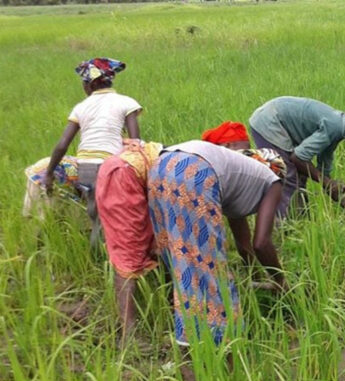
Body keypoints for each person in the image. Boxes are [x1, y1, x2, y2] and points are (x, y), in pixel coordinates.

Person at [147, 139, 286, 346]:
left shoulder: (235, 172)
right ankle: (221, 344)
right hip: (195, 173)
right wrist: (282, 284)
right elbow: (261, 243)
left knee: (175, 253)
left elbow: (244, 243)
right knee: (210, 267)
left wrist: (253, 275)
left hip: (160, 167)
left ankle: (178, 318)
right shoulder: (273, 180)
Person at [24, 57, 142, 228]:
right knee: (111, 212)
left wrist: (49, 173)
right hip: (113, 167)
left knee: (92, 206)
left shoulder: (81, 106)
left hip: (84, 168)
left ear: (90, 85)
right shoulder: (126, 102)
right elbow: (135, 141)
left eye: (83, 84)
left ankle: (48, 223)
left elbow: (62, 144)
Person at [248, 96, 345, 217]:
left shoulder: (338, 127)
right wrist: (326, 182)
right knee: (287, 177)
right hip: (269, 122)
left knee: (301, 176)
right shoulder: (335, 125)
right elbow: (297, 158)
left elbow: (324, 168)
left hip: (273, 118)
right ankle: (286, 228)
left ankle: (301, 220)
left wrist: (337, 194)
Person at [95, 139, 163, 341]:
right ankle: (128, 333)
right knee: (129, 249)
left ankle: (163, 301)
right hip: (124, 176)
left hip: (124, 170)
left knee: (155, 238)